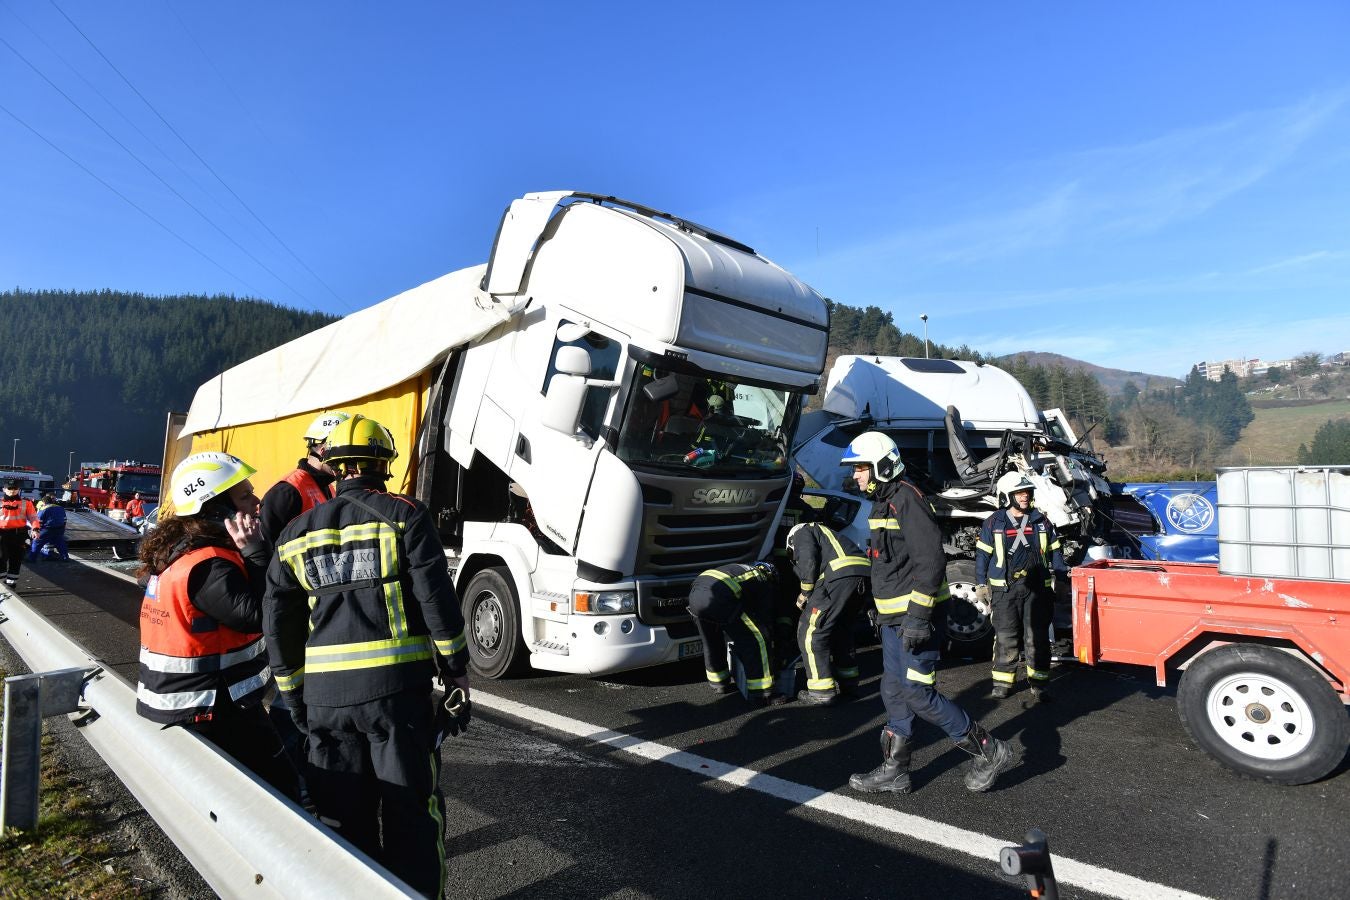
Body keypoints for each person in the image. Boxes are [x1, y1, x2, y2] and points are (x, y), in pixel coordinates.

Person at [264, 414, 469, 899]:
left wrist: (295, 699)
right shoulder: (404, 515)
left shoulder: (294, 534)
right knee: (412, 817)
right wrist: (456, 670)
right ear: (383, 464)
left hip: (324, 704)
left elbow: (279, 626)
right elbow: (436, 600)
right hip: (396, 699)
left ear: (335, 467)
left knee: (342, 824)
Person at [841, 432, 1016, 794]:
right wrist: (877, 610)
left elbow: (931, 561)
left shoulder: (907, 499)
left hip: (916, 620)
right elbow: (890, 565)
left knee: (917, 692)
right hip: (895, 621)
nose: (855, 475)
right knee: (893, 689)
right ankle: (896, 771)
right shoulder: (881, 503)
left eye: (860, 468)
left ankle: (989, 751)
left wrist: (919, 618)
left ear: (881, 466)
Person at [134, 452, 297, 797]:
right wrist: (255, 552)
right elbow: (260, 615)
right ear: (216, 508)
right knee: (279, 791)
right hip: (211, 705)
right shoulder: (209, 565)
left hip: (196, 701)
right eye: (244, 496)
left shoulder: (183, 552)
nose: (257, 501)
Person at [975, 472, 1065, 702]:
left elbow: (1055, 551)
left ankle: (1039, 683)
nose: (1025, 496)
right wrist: (981, 583)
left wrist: (1062, 579)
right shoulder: (994, 522)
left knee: (1037, 638)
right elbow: (983, 555)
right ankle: (1003, 683)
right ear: (1008, 496)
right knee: (1006, 636)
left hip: (1038, 591)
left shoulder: (1041, 521)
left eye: (1027, 492)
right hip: (1005, 590)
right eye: (1019, 493)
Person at [786, 521, 869, 706]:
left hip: (838, 578)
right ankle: (849, 685)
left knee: (810, 632)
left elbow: (808, 559)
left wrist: (805, 593)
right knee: (841, 631)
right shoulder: (827, 534)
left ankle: (821, 692)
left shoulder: (802, 531)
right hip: (861, 577)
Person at [687, 561, 788, 706]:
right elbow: (764, 618)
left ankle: (719, 683)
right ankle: (762, 693)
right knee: (758, 638)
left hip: (695, 596)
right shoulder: (763, 580)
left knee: (711, 640)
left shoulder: (741, 569)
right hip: (720, 597)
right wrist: (773, 644)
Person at [259, 410, 351, 548]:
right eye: (345, 452)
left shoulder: (328, 487)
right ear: (324, 451)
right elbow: (268, 546)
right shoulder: (287, 491)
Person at [1, 479, 39, 587]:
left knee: (16, 559)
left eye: (15, 488)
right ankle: (1, 585)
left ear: (18, 489)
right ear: (4, 489)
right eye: (9, 488)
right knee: (1, 558)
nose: (12, 490)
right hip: (1, 535)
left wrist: (35, 529)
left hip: (18, 535)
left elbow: (33, 517)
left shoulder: (26, 503)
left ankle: (11, 585)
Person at [29, 494, 70, 562]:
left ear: (44, 502)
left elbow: (39, 520)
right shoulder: (60, 508)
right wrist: (63, 528)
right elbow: (65, 519)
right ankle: (65, 557)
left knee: (36, 542)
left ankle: (32, 559)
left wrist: (37, 530)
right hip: (59, 529)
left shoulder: (44, 509)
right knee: (60, 543)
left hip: (47, 529)